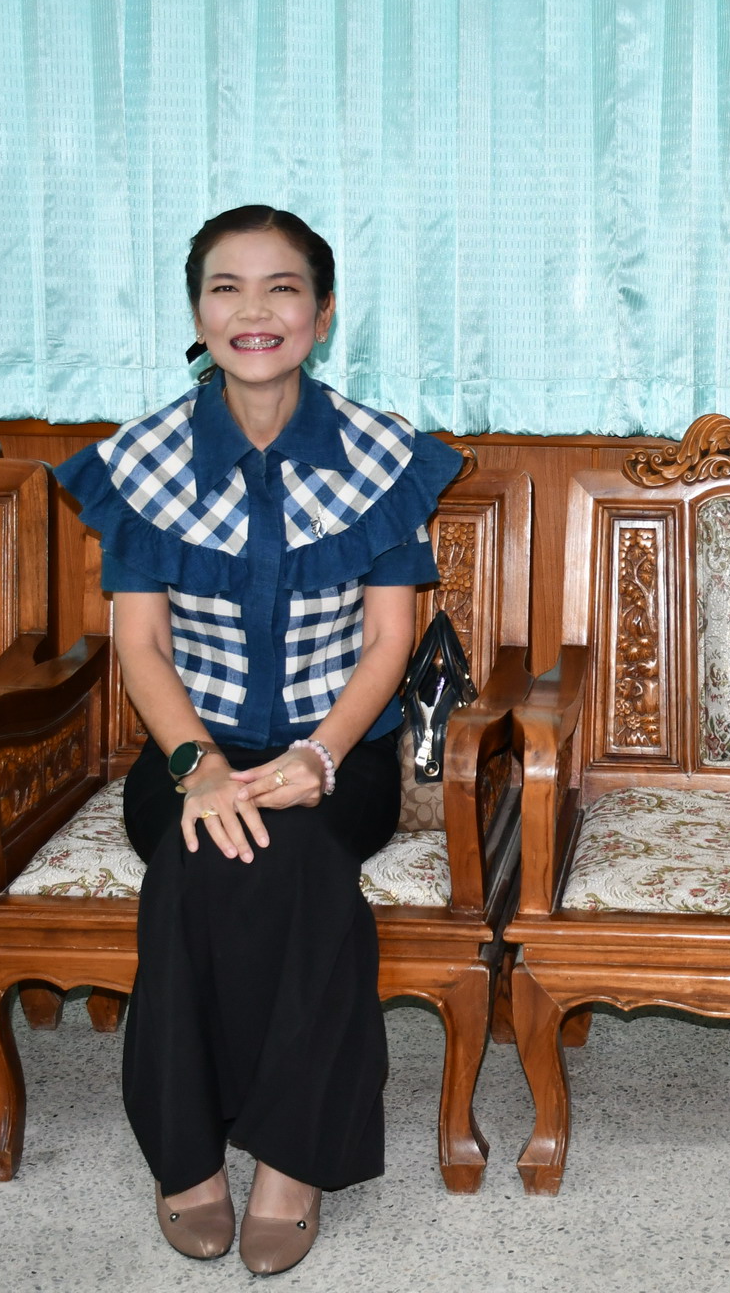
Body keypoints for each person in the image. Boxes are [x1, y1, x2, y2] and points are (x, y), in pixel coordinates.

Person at [55, 205, 463, 1273]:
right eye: (225, 287)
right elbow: (141, 647)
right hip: (188, 748)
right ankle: (186, 1159)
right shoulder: (144, 462)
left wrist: (319, 756)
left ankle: (289, 1159)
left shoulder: (382, 457)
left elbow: (389, 641)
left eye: (282, 287)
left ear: (321, 315)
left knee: (304, 853)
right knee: (200, 850)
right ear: (199, 314)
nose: (254, 310)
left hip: (343, 754)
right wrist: (200, 770)